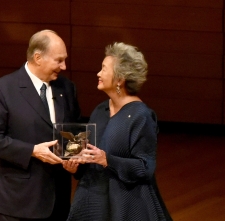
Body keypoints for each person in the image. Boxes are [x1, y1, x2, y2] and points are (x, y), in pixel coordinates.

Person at [62, 42, 172, 221]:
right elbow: (89, 156)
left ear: (120, 78)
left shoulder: (141, 116)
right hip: (92, 204)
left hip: (126, 205)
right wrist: (75, 165)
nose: (98, 73)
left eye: (104, 69)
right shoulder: (100, 111)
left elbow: (145, 168)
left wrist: (107, 159)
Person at [0, 30, 81, 221]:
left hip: (58, 200)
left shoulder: (66, 88)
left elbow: (73, 131)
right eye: (59, 60)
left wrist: (75, 159)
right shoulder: (2, 90)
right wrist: (33, 151)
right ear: (38, 57)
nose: (64, 66)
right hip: (19, 201)